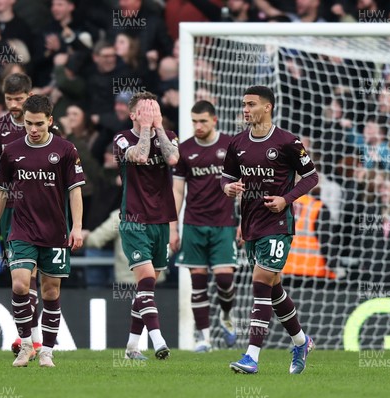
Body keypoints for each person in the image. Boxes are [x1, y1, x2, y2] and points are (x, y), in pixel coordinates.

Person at [221, 86, 318, 374]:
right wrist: (228, 188)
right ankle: (301, 341)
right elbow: (226, 177)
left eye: (251, 104)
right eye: (243, 105)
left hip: (278, 225)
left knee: (260, 283)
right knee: (274, 290)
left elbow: (311, 176)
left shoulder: (289, 142)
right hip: (250, 224)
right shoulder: (237, 143)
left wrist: (285, 199)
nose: (245, 109)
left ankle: (251, 356)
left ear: (268, 107)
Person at [0, 94, 85, 368]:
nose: (34, 130)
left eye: (39, 124)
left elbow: (75, 191)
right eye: (29, 124)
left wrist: (76, 227)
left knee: (51, 292)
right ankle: (26, 343)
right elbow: (1, 193)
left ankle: (48, 351)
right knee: (19, 283)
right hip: (22, 229)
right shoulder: (12, 151)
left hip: (54, 232)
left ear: (50, 121)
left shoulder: (65, 150)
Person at [0, 72, 43, 355]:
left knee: (34, 275)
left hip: (39, 206)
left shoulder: (43, 124)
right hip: (9, 209)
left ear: (29, 95)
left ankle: (32, 337)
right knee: (20, 275)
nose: (14, 104)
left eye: (18, 99)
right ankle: (30, 337)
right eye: (9, 99)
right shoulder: (0, 127)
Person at [113, 91, 179, 360]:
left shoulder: (169, 136)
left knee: (146, 287)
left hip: (161, 219)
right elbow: (140, 156)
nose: (151, 114)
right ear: (133, 115)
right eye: (145, 110)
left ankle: (131, 347)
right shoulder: (121, 138)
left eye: (155, 109)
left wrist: (158, 127)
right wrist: (144, 129)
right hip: (134, 219)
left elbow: (173, 158)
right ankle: (157, 338)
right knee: (148, 278)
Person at [170, 100, 238, 352]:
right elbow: (177, 190)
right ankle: (204, 338)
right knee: (197, 281)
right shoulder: (185, 150)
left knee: (224, 278)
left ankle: (227, 316)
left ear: (214, 120)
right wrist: (173, 227)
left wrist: (245, 222)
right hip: (194, 223)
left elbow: (243, 187)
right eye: (194, 121)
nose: (198, 126)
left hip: (224, 223)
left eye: (203, 121)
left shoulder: (230, 146)